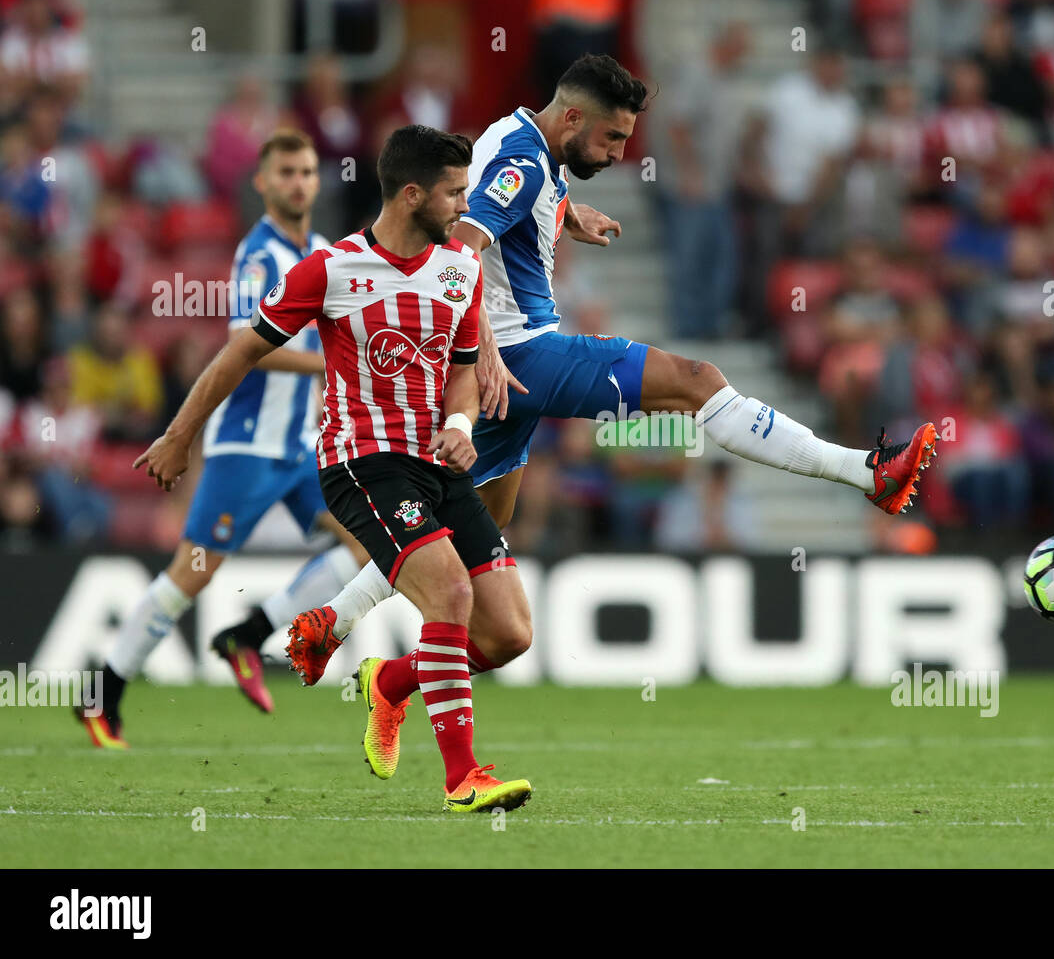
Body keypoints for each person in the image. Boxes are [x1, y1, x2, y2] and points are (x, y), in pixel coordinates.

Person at [302, 54, 940, 676]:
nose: (617, 154)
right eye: (612, 137)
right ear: (574, 118)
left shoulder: (523, 143)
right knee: (695, 382)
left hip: (503, 371)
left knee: (479, 518)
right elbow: (462, 249)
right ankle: (867, 473)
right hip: (520, 354)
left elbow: (496, 208)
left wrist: (563, 212)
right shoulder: (523, 161)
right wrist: (486, 350)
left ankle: (342, 630)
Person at [135, 125, 533, 814]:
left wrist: (462, 424)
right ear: (412, 196)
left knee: (508, 635)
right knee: (451, 597)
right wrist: (178, 436)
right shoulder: (332, 270)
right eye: (454, 194)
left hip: (437, 464)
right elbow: (238, 353)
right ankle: (463, 777)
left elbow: (463, 376)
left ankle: (392, 684)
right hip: (363, 465)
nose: (464, 209)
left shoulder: (458, 272)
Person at [76, 130, 368, 748]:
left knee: (365, 544)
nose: (298, 182)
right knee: (194, 572)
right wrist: (327, 366)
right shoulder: (258, 255)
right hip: (247, 450)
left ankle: (249, 633)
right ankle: (103, 691)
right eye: (285, 171)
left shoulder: (322, 251)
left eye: (308, 171)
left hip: (301, 448)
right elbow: (247, 345)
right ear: (261, 183)